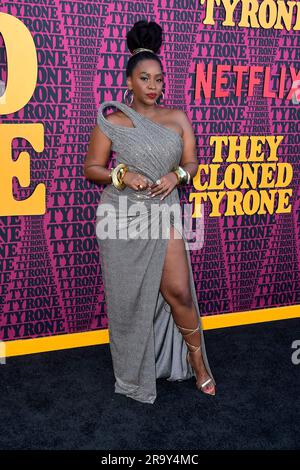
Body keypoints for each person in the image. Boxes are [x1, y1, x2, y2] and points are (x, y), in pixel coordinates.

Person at [84, 20, 216, 404]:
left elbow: (192, 164)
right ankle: (134, 369)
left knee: (178, 291)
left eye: (158, 79)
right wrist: (123, 174)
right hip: (121, 218)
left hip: (162, 211)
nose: (154, 86)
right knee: (127, 299)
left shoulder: (177, 118)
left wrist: (176, 176)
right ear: (129, 80)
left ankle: (197, 361)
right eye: (145, 78)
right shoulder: (113, 119)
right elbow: (92, 168)